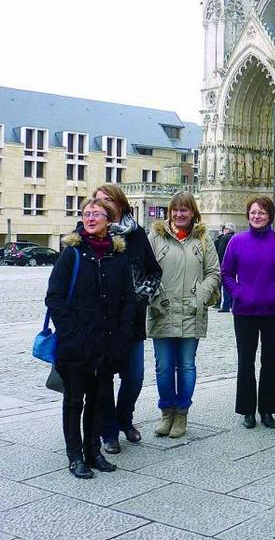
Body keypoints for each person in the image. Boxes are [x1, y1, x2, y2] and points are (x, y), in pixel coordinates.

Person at [46, 197, 136, 478]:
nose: (91, 218)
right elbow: (55, 298)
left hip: (107, 343)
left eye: (97, 214)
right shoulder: (72, 254)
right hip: (77, 343)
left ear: (109, 220)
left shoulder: (118, 257)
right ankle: (75, 456)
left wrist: (122, 337)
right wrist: (70, 333)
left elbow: (128, 300)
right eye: (87, 214)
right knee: (74, 400)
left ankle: (93, 451)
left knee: (99, 400)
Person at [91, 184, 161, 456]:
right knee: (104, 379)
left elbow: (153, 272)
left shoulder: (136, 233)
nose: (102, 204)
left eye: (108, 199)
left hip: (130, 320)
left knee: (134, 377)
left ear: (120, 203)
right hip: (101, 322)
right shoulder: (90, 231)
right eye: (97, 201)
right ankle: (109, 432)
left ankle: (124, 418)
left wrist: (139, 297)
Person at [148, 191, 221, 438]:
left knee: (187, 366)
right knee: (164, 367)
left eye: (185, 210)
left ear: (193, 213)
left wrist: (200, 296)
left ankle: (182, 414)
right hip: (163, 310)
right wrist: (156, 296)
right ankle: (166, 411)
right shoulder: (156, 236)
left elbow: (213, 272)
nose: (179, 214)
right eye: (175, 210)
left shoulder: (203, 240)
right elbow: (145, 270)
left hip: (192, 310)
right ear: (170, 212)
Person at [221, 196, 275, 429]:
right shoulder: (237, 241)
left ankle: (268, 410)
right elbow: (226, 273)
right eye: (253, 212)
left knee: (269, 361)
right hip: (245, 312)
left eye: (261, 212)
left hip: (272, 312)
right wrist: (239, 293)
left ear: (270, 215)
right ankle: (247, 411)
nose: (257, 216)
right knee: (245, 361)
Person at [214, 223, 235, 312]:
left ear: (228, 229)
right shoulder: (235, 237)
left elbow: (221, 252)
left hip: (225, 265)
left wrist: (219, 265)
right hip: (234, 265)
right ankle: (232, 305)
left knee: (225, 286)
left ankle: (225, 306)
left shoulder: (224, 238)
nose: (223, 230)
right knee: (232, 285)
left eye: (225, 228)